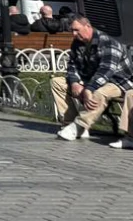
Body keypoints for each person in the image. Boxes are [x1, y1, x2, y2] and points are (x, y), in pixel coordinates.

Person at [51, 13, 132, 142]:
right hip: (92, 79)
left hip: (119, 81)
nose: (74, 34)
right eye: (72, 31)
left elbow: (106, 70)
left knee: (99, 93)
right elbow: (72, 65)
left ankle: (80, 126)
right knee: (57, 82)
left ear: (87, 26)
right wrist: (75, 83)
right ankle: (68, 123)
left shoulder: (108, 42)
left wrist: (89, 88)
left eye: (76, 30)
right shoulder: (78, 43)